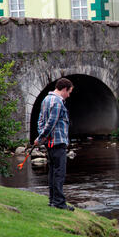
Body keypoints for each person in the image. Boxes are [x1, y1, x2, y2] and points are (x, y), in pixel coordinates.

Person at [35, 78, 75, 211]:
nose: (69, 95)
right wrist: (41, 137)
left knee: (52, 172)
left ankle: (53, 200)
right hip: (57, 142)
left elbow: (40, 120)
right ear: (64, 89)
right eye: (69, 92)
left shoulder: (46, 99)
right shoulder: (57, 102)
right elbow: (51, 122)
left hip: (50, 143)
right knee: (59, 173)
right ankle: (59, 203)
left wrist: (42, 137)